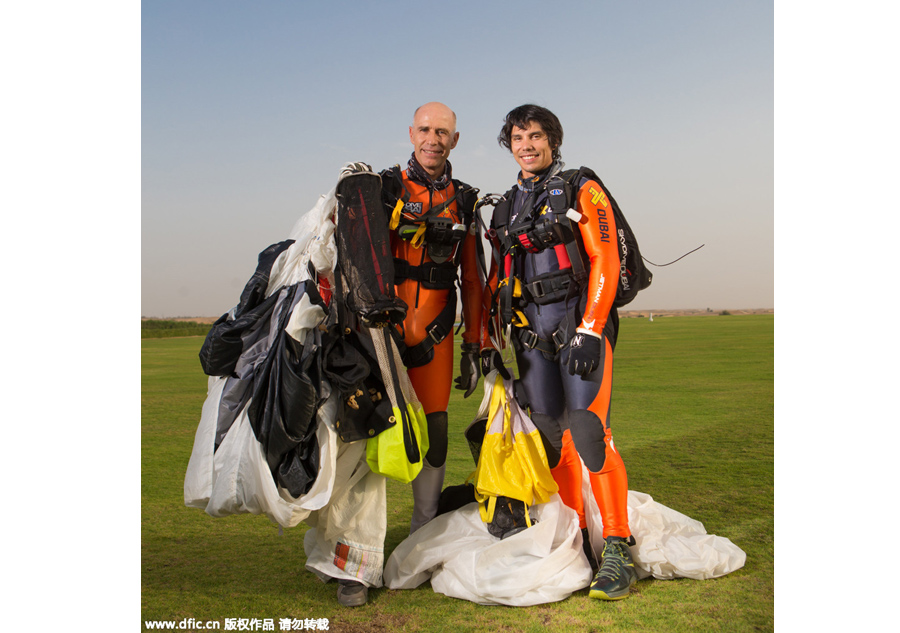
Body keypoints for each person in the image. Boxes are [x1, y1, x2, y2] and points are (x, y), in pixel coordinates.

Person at [328, 102, 484, 607]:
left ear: (454, 140)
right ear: (411, 134)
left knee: (434, 433)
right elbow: (344, 248)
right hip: (378, 336)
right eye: (425, 129)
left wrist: (475, 342)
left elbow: (475, 281)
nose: (433, 138)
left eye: (444, 131)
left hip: (435, 335)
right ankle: (352, 560)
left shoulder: (465, 200)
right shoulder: (381, 189)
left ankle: (424, 538)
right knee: (363, 439)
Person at [481, 104, 637, 601]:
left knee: (590, 433)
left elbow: (605, 259)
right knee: (552, 440)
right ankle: (575, 539)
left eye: (535, 136)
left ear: (552, 140)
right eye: (517, 137)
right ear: (509, 144)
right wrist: (485, 340)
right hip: (530, 335)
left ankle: (616, 544)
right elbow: (495, 277)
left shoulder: (579, 188)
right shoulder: (506, 206)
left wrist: (592, 327)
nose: (526, 145)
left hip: (577, 323)